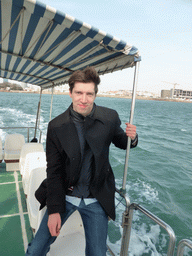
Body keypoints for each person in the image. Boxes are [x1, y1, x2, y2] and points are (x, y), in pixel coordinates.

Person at [25, 66, 138, 256]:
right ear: (70, 92)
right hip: (64, 195)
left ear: (95, 94)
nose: (83, 99)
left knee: (97, 253)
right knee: (36, 249)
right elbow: (54, 171)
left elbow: (122, 141)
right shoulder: (56, 126)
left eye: (89, 94)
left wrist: (132, 137)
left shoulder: (109, 117)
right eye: (78, 93)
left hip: (96, 198)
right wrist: (54, 211)